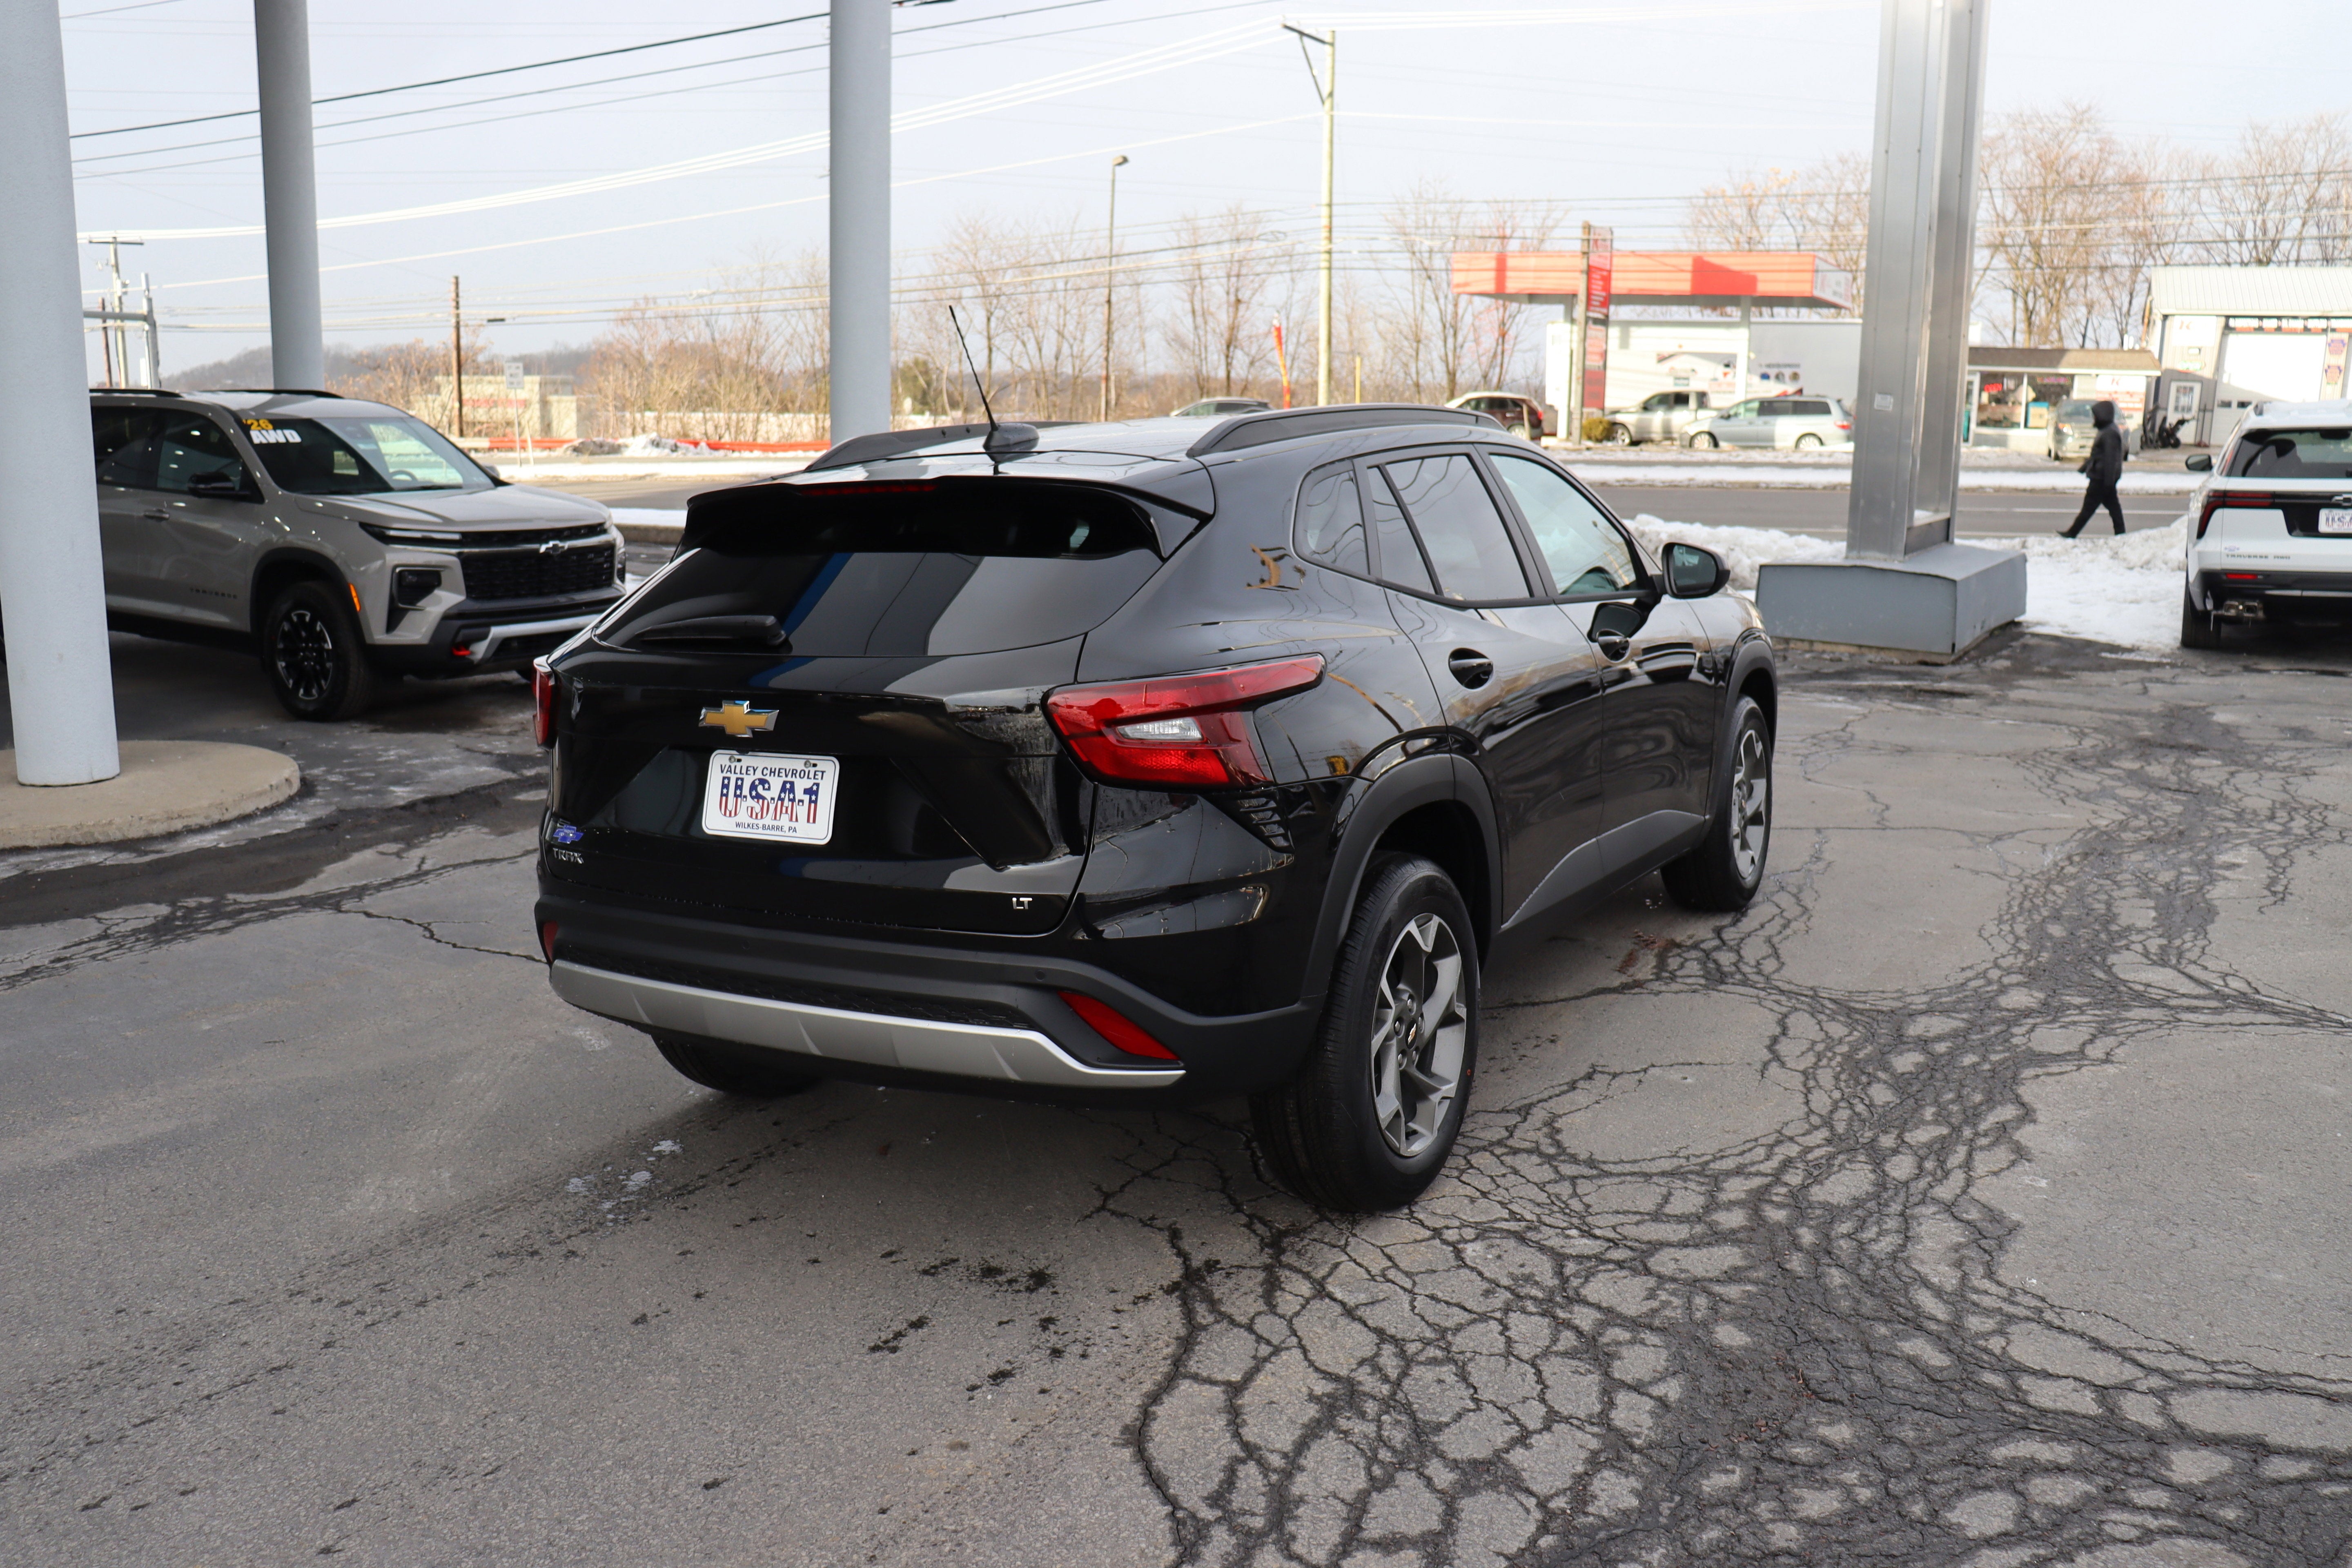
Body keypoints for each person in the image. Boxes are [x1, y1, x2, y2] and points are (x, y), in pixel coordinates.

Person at [2060, 400, 2127, 537]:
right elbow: (2098, 455)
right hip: (2102, 477)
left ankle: (2072, 533)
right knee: (2113, 509)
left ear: (2103, 416)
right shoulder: (2107, 430)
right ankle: (2121, 535)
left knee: (2089, 508)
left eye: (2096, 415)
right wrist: (2085, 468)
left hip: (2101, 479)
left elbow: (2110, 459)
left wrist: (2108, 481)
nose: (2094, 418)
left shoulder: (2109, 433)